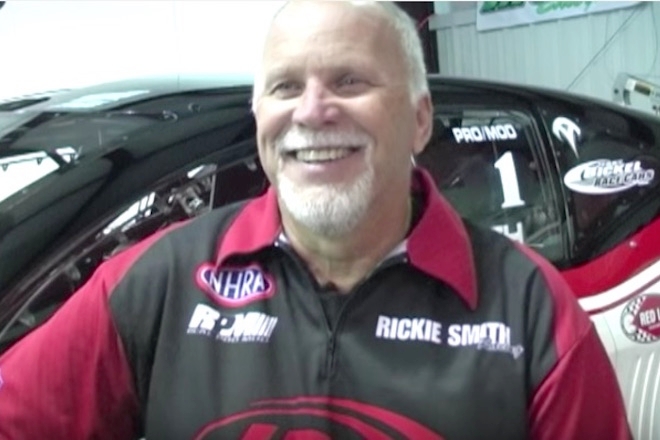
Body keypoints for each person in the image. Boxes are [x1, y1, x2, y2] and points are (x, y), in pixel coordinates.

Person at [0, 1, 632, 439]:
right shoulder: (158, 281)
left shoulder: (532, 310)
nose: (312, 111)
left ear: (419, 120)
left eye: (349, 81)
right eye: (284, 87)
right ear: (259, 117)